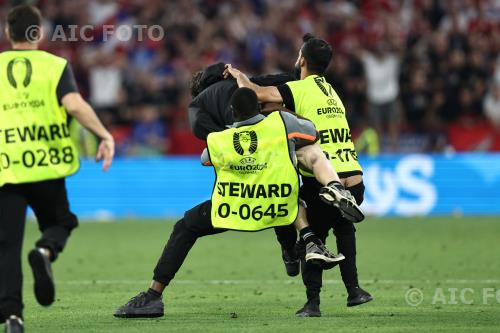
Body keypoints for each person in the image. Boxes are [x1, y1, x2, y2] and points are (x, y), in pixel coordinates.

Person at [113, 88, 354, 318]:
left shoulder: (221, 138)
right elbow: (313, 133)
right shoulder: (281, 122)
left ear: (232, 111)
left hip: (233, 208)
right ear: (259, 108)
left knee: (184, 227)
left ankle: (154, 295)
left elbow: (206, 160)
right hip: (276, 204)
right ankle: (297, 246)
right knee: (293, 195)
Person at [225, 33, 373, 317]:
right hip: (354, 180)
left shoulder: (300, 88)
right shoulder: (332, 94)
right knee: (344, 227)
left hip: (323, 181)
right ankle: (354, 290)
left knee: (310, 233)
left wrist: (239, 76)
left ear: (302, 60)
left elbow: (255, 96)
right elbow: (282, 108)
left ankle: (312, 303)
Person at [0, 5, 115, 333]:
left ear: (8, 33)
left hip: (6, 168)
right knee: (60, 222)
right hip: (46, 165)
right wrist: (103, 134)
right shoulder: (55, 66)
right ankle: (45, 250)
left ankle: (12, 318)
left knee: (7, 245)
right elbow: (74, 105)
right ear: (38, 33)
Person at [188, 63, 364, 277]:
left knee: (279, 198)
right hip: (280, 137)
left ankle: (294, 248)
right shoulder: (247, 85)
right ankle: (331, 192)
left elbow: (206, 144)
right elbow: (280, 81)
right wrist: (301, 73)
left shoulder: (203, 107)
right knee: (300, 172)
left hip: (248, 157)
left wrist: (224, 143)